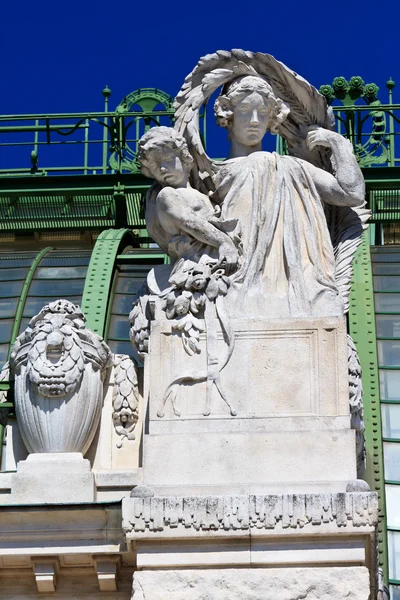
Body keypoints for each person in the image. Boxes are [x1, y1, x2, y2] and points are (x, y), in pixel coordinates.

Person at [211, 75, 365, 317]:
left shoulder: (294, 166)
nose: (254, 120)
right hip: (233, 280)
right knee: (260, 160)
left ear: (273, 117)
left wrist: (338, 144)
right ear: (227, 114)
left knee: (264, 160)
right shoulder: (208, 174)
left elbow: (352, 194)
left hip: (297, 290)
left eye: (262, 112)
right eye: (245, 110)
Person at [138, 126, 239, 273]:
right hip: (197, 266)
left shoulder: (207, 196)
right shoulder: (167, 195)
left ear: (185, 158)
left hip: (221, 261)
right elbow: (189, 221)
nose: (162, 168)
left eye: (167, 159)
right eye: (154, 165)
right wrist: (224, 242)